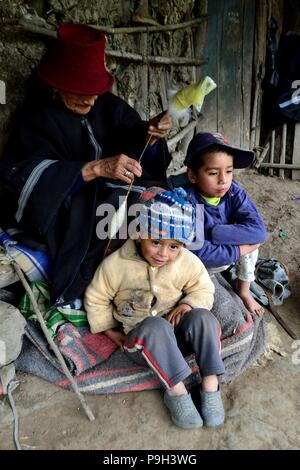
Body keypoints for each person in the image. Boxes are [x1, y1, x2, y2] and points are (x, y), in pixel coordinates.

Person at [0, 23, 172, 306]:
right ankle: (98, 294)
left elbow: (135, 141)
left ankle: (154, 282)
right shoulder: (36, 119)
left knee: (160, 204)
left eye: (95, 91)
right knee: (97, 225)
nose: (91, 99)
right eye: (80, 92)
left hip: (111, 198)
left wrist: (151, 137)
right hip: (68, 207)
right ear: (57, 86)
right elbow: (23, 177)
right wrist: (95, 169)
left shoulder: (109, 106)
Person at [84, 187, 225, 429]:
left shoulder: (187, 262)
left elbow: (204, 289)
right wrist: (109, 330)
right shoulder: (115, 265)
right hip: (143, 343)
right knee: (155, 326)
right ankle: (176, 392)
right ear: (139, 233)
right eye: (156, 242)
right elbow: (96, 298)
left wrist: (187, 303)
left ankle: (210, 386)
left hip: (178, 337)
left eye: (173, 247)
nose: (163, 253)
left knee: (203, 317)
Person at [185, 132, 267, 316]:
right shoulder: (187, 201)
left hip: (224, 252)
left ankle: (243, 290)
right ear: (192, 175)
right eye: (213, 173)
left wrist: (217, 233)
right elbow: (199, 253)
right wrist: (238, 249)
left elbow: (259, 232)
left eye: (229, 171)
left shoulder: (234, 192)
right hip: (203, 264)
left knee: (252, 245)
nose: (223, 180)